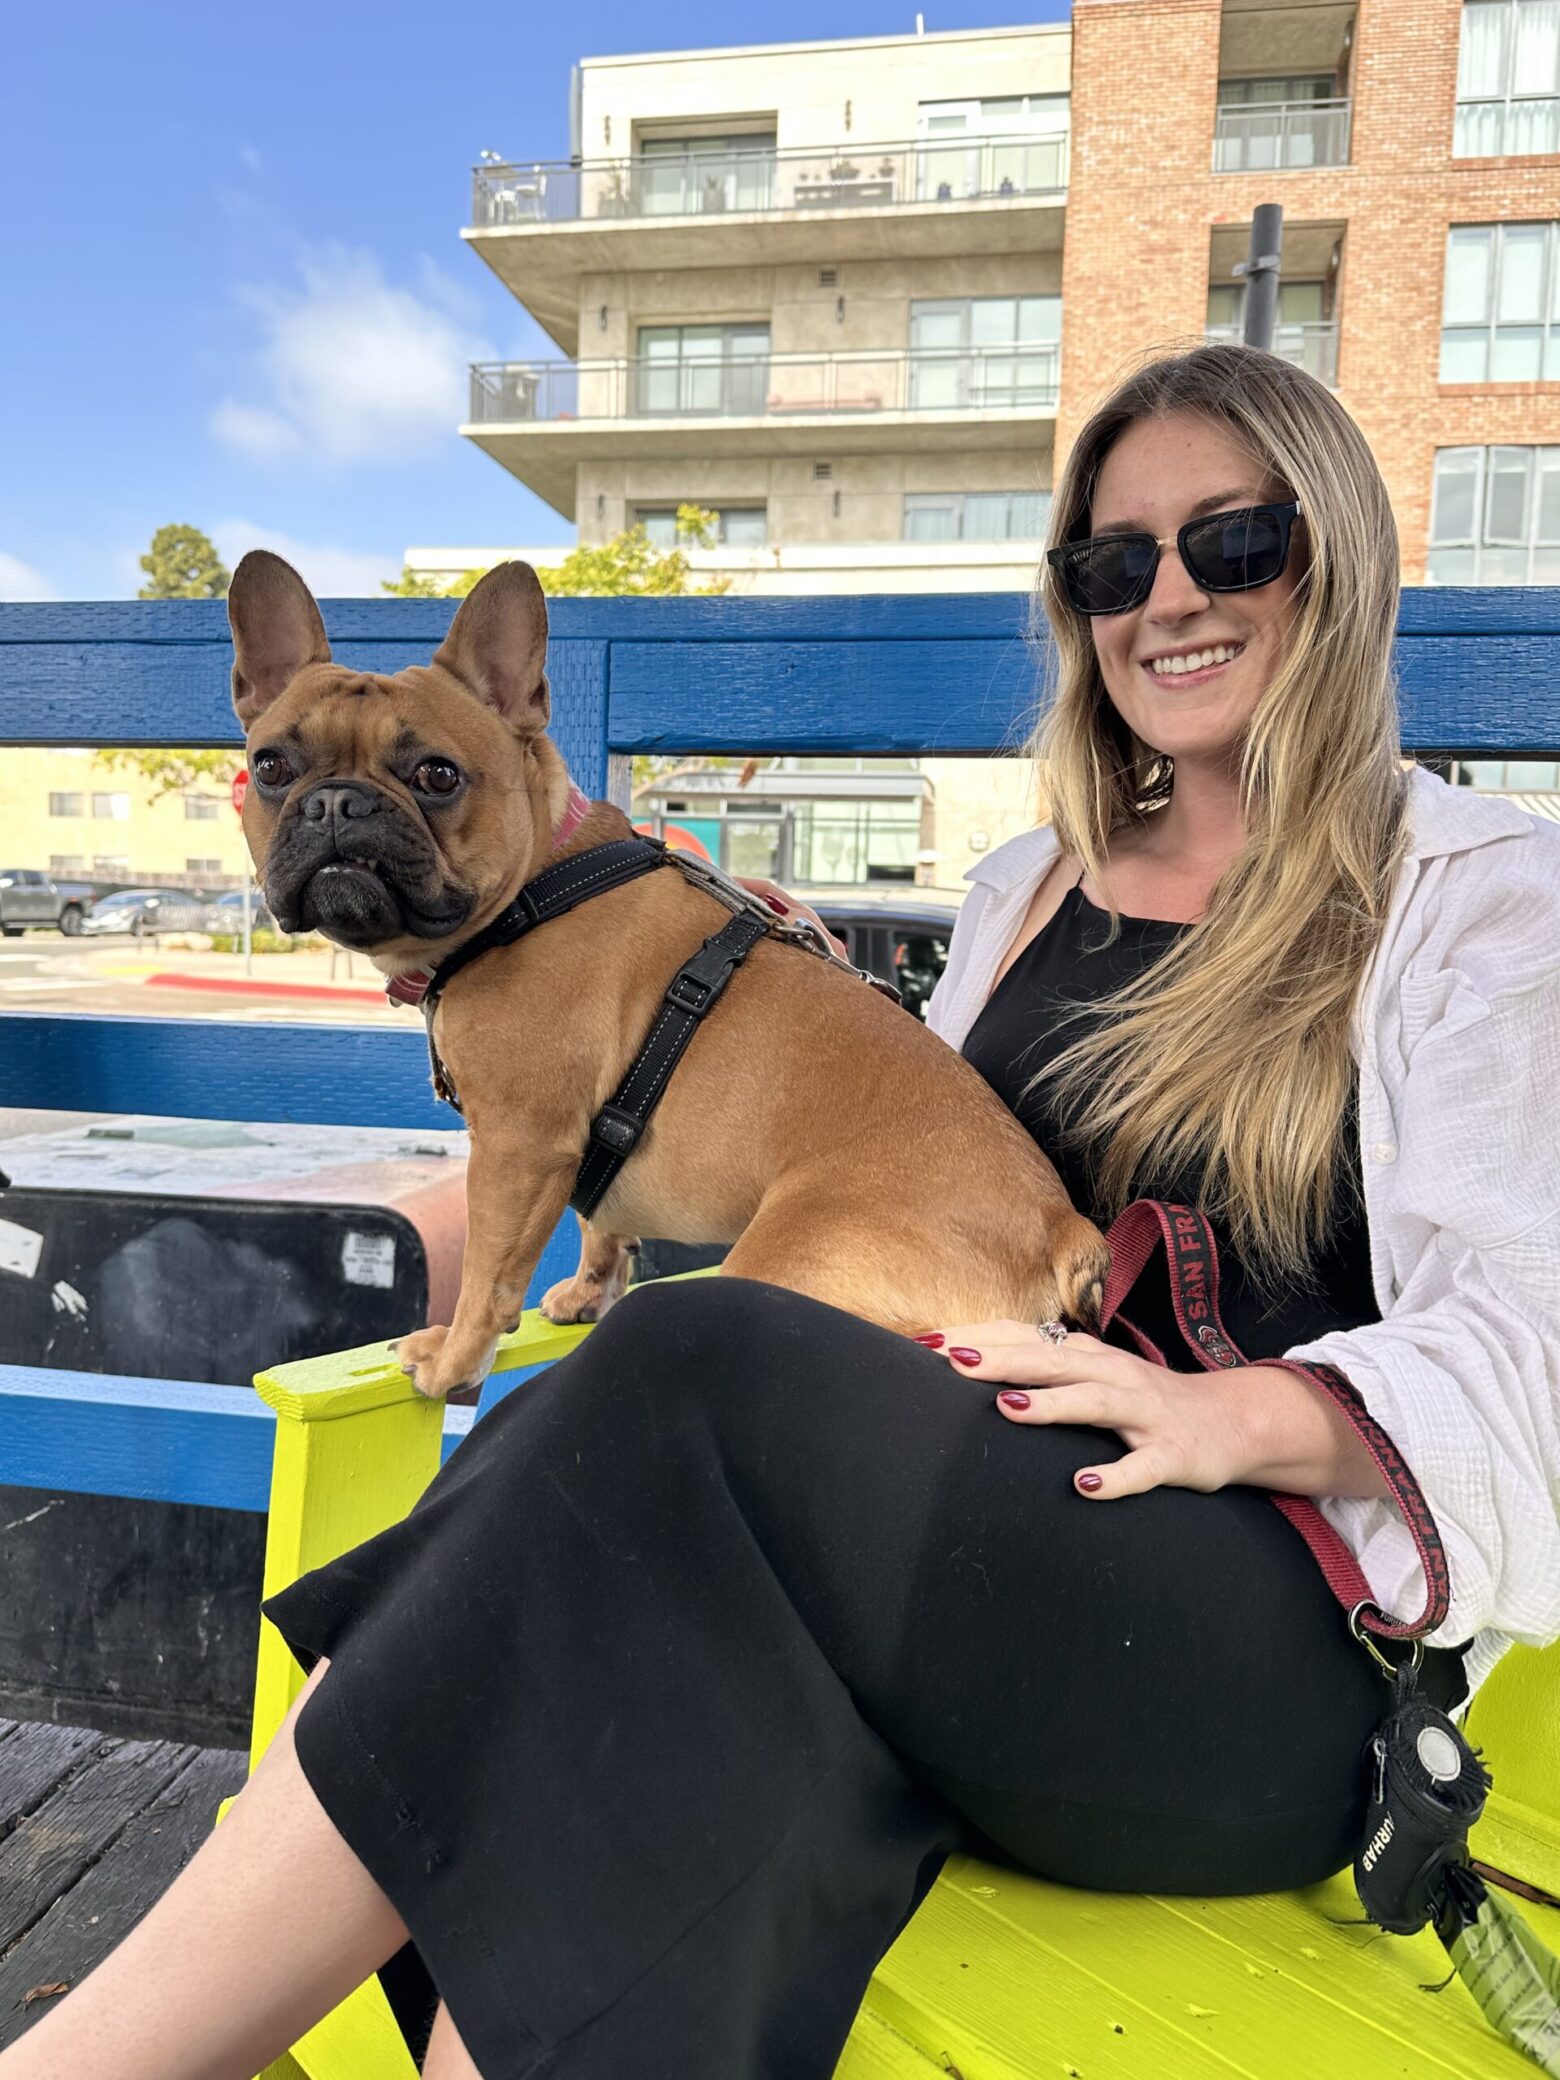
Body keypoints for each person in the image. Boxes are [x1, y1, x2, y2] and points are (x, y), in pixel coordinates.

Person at [6, 343, 1556, 2080]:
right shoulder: (1026, 889)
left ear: (1334, 557)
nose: (1165, 600)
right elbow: (909, 1165)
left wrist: (1237, 1409)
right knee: (656, 1713)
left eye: (1232, 544)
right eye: (1111, 565)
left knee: (685, 1370)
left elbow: (1532, 1354)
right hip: (969, 1525)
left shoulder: (1476, 902)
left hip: (1270, 1647)